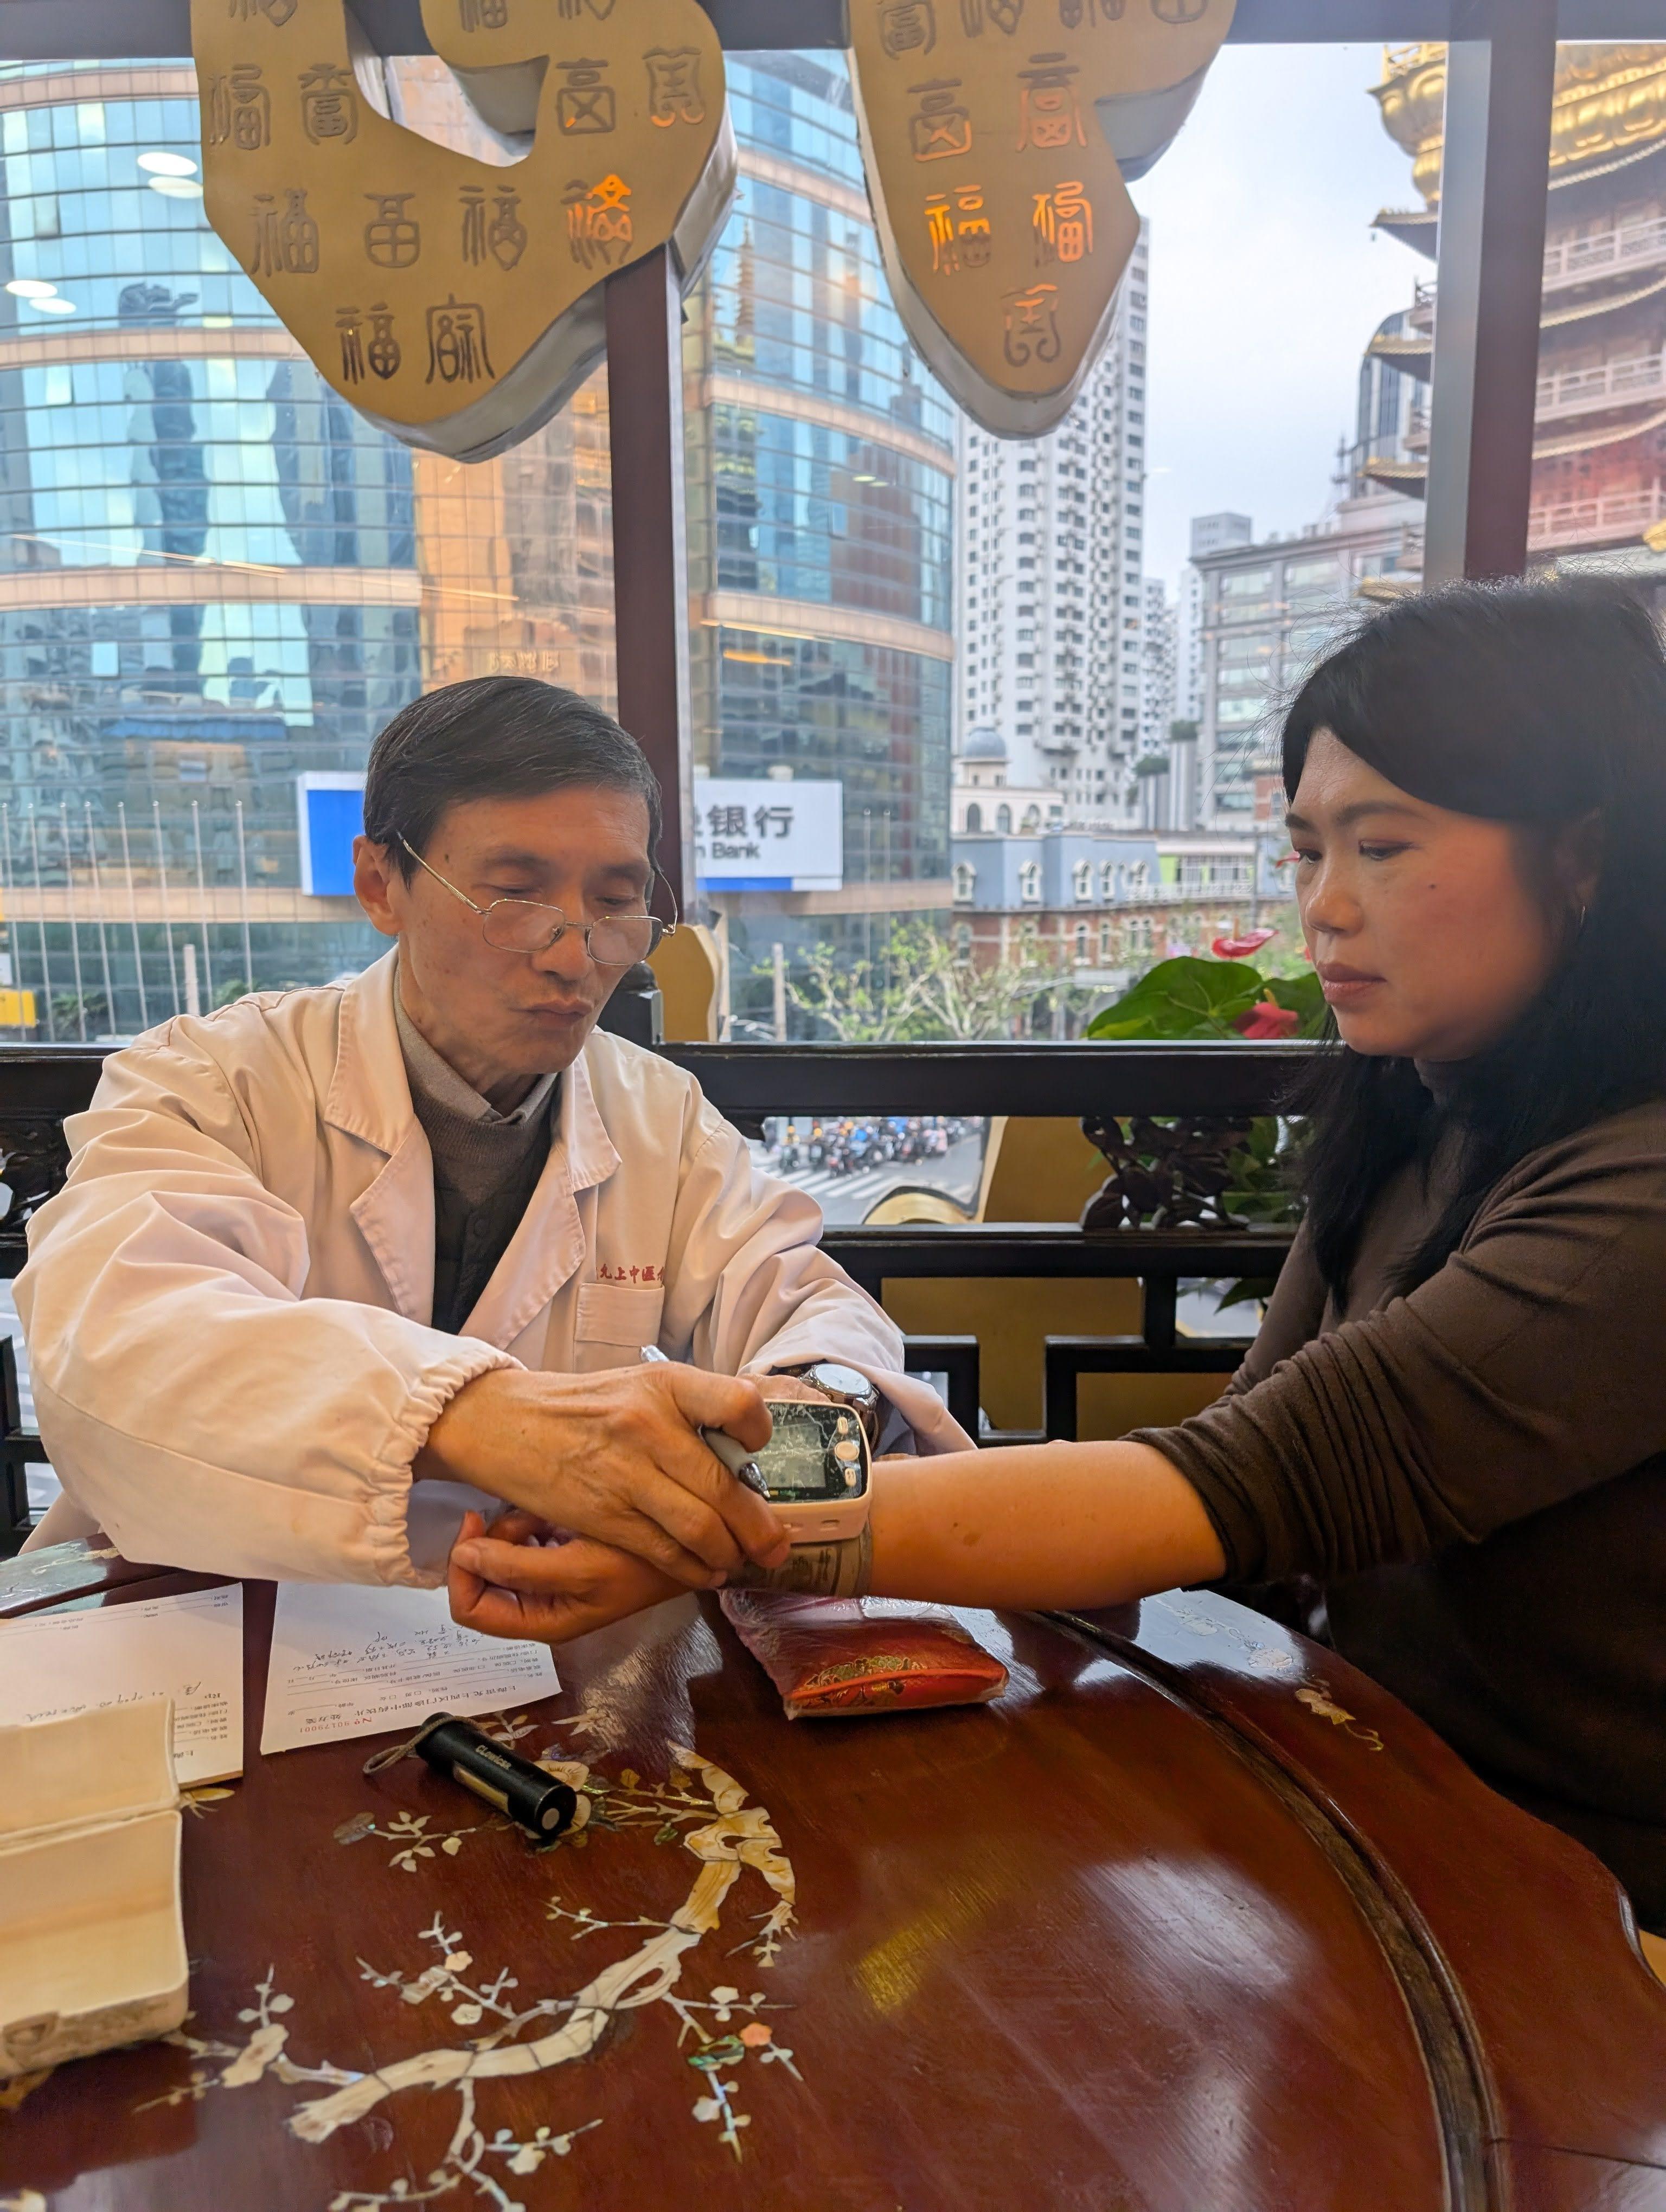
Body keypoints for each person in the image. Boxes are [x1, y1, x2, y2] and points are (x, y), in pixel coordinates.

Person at [460, 578, 1666, 1937]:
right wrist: (964, 1503)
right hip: (1369, 1779)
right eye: (1306, 849)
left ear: (1587, 859)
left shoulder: (1640, 1189)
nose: (1323, 909)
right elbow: (1248, 1465)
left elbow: (1265, 1484)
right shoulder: (1416, 1113)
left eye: (1380, 847)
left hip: (1580, 1897)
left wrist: (710, 1528)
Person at [16, 677, 965, 1597]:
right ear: (380, 883)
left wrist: (808, 1410)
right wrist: (472, 1415)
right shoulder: (217, 1079)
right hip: (220, 1607)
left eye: (614, 902)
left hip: (547, 1629)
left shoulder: (659, 1116)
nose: (575, 953)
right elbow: (119, 1334)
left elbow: (808, 1306)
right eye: (516, 895)